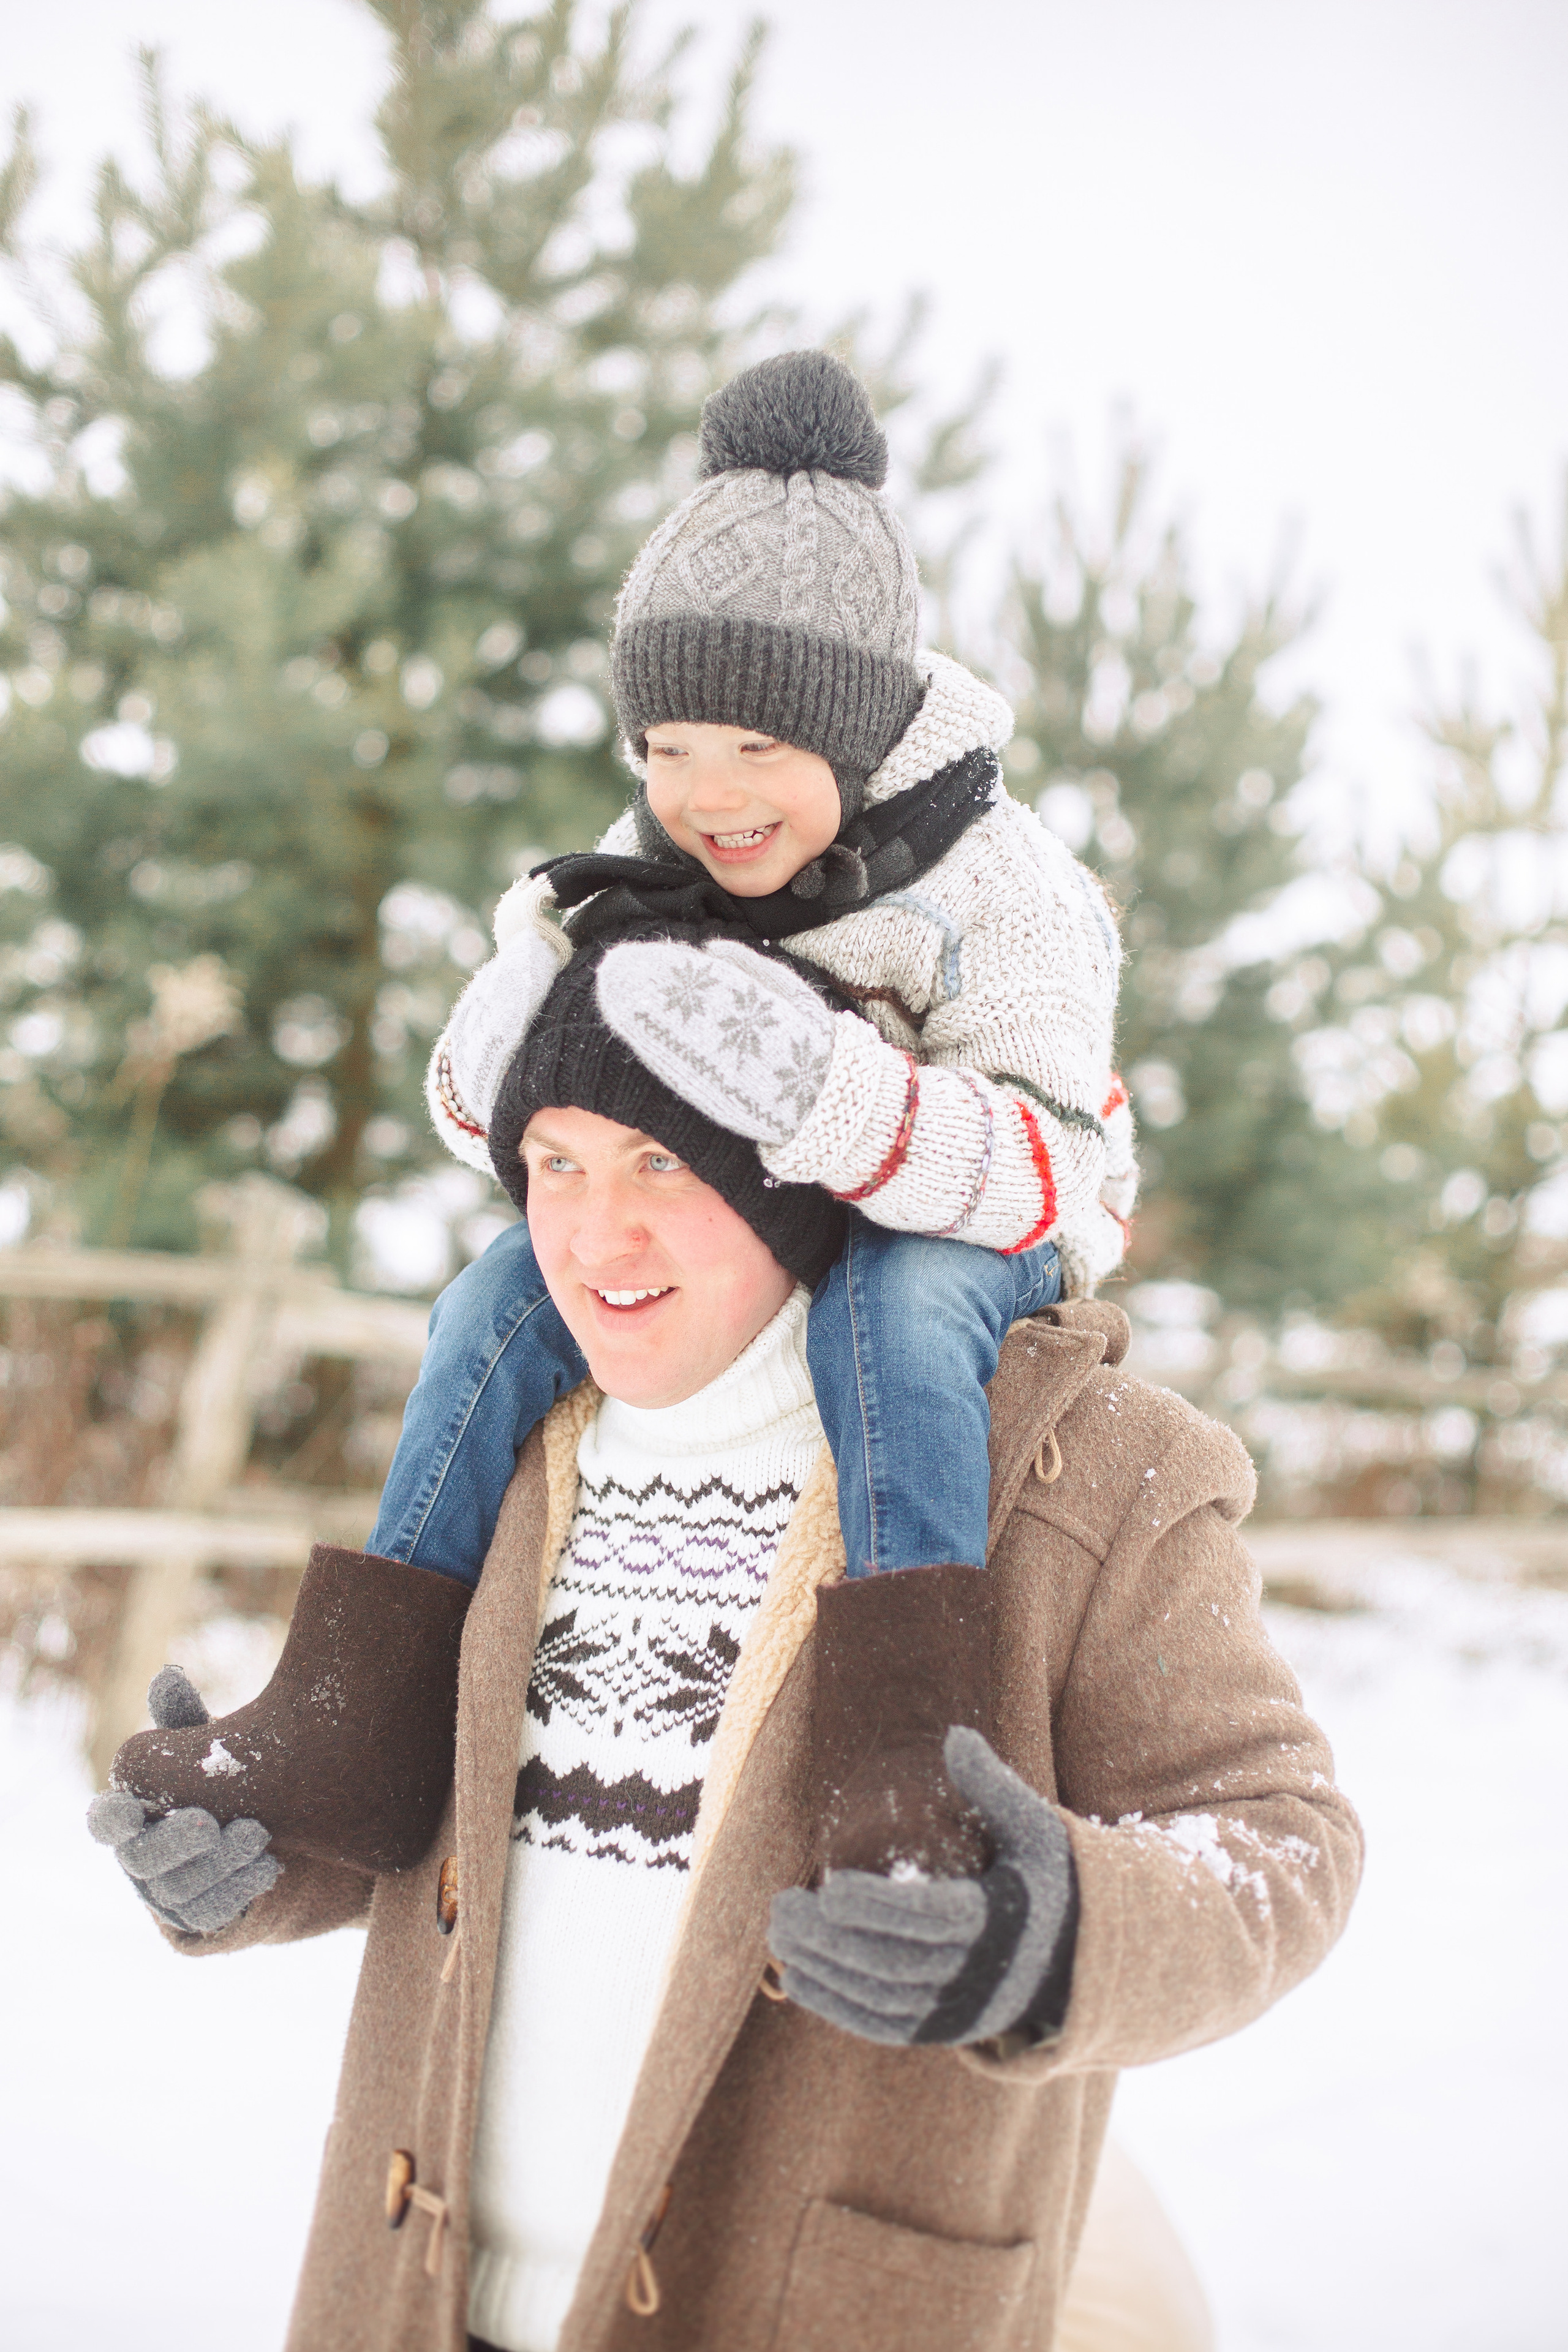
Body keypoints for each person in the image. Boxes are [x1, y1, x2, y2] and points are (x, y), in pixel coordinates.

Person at [90, 946, 1362, 2352]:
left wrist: (1053, 1928)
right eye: (552, 1165)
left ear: (799, 1179)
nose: (593, 1236)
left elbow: (1277, 1846)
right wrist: (239, 1869)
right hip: (412, 2301)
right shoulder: (503, 1442)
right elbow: (436, 1832)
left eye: (660, 1165)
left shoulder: (1085, 1472)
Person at [356, 347, 1136, 1871]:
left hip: (987, 1214)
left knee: (894, 1316)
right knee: (491, 1302)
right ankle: (359, 1701)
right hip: (740, 1209)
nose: (706, 796)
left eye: (757, 751)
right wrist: (507, 1033)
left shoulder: (1003, 888)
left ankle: (907, 1745)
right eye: (666, 749)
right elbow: (517, 1142)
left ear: (850, 734)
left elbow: (1053, 1167)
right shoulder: (662, 842)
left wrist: (834, 1097)